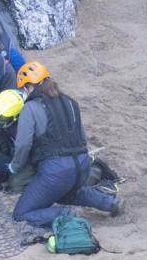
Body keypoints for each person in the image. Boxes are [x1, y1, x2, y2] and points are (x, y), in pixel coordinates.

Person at [7, 61, 122, 227]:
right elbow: (82, 136)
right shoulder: (70, 101)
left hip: (55, 171)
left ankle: (64, 214)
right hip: (82, 166)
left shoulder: (30, 108)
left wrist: (15, 166)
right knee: (66, 192)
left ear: (29, 86)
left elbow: (23, 145)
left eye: (24, 88)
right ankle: (109, 202)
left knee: (21, 213)